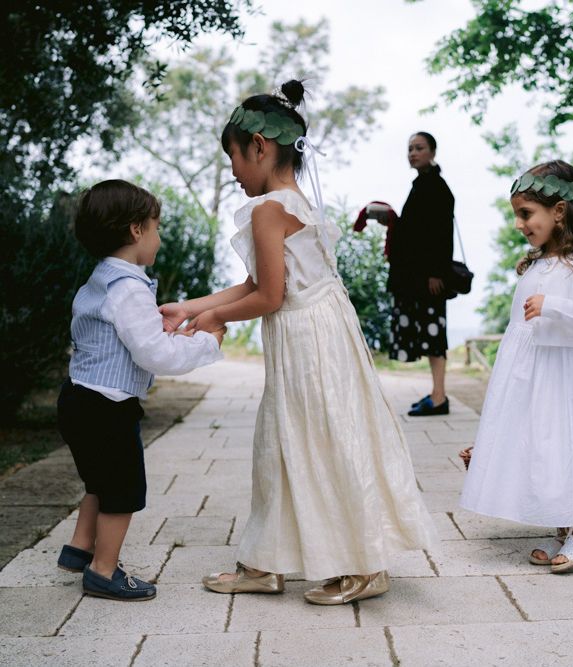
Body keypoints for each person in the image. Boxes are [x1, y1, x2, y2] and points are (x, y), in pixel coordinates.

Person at [159, 80, 437, 605]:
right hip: (319, 331)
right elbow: (258, 283)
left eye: (235, 158)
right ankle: (266, 562)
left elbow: (268, 295)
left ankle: (363, 563)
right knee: (285, 444)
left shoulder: (269, 209)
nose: (236, 171)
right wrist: (192, 306)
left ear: (259, 148)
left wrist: (211, 319)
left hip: (309, 341)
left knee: (317, 442)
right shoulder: (295, 202)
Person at [56, 180, 225, 600]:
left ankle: (79, 548)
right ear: (136, 230)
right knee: (122, 490)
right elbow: (155, 355)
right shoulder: (129, 288)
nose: (159, 235)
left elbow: (129, 337)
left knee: (98, 479)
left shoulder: (100, 281)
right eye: (156, 226)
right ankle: (103, 570)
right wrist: (207, 343)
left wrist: (163, 327)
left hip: (77, 398)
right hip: (107, 407)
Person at [459, 160, 573, 573]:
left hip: (562, 376)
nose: (519, 224)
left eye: (526, 213)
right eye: (517, 214)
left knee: (566, 444)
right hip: (529, 376)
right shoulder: (535, 266)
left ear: (559, 212)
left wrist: (555, 306)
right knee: (542, 446)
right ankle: (566, 523)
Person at [386, 132, 454, 416]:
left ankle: (439, 397)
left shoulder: (437, 187)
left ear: (433, 152)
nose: (413, 153)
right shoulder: (422, 184)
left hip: (429, 278)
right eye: (410, 148)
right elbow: (414, 230)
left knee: (433, 335)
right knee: (428, 334)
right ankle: (436, 393)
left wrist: (438, 273)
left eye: (419, 148)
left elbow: (441, 235)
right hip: (416, 276)